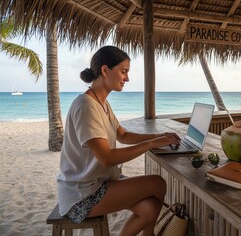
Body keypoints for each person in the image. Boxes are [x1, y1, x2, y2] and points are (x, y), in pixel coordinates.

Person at [57, 45, 180, 236]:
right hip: (81, 195)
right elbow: (106, 158)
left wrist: (158, 137)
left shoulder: (101, 103)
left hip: (99, 183)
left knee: (150, 208)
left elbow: (123, 135)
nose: (127, 78)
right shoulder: (86, 105)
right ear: (105, 70)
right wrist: (150, 144)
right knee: (157, 184)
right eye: (123, 72)